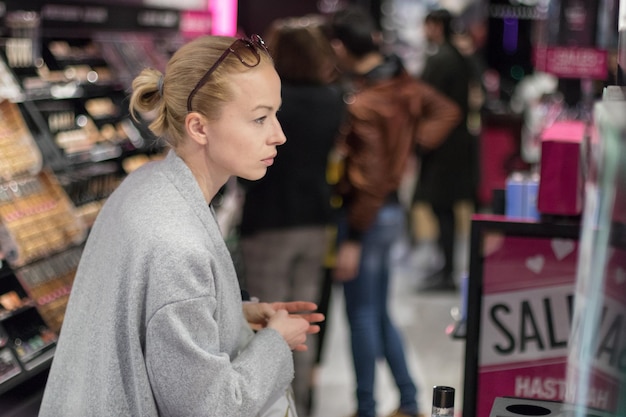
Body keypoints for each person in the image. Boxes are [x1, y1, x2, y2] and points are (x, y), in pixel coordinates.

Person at [38, 34, 324, 417]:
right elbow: (210, 407)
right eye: (259, 118)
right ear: (199, 127)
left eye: (275, 114)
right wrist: (275, 341)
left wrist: (229, 314)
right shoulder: (177, 243)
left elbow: (148, 320)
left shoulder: (146, 184)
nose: (278, 134)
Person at [325, 6, 461, 417]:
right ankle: (407, 400)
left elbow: (370, 179)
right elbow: (448, 111)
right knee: (375, 312)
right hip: (389, 214)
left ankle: (367, 407)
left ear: (340, 46)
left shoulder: (366, 102)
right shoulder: (401, 84)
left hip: (367, 216)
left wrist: (351, 237)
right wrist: (411, 147)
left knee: (362, 317)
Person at [237, 15, 346, 417]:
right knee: (304, 323)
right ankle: (303, 407)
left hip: (269, 221)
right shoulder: (332, 99)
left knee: (268, 323)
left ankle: (273, 407)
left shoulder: (270, 106)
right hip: (316, 221)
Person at [412, 8, 479, 292]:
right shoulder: (457, 56)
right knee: (445, 209)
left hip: (443, 149)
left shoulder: (442, 58)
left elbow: (427, 101)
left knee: (443, 208)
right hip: (453, 146)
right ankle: (446, 267)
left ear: (436, 25)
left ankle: (447, 270)